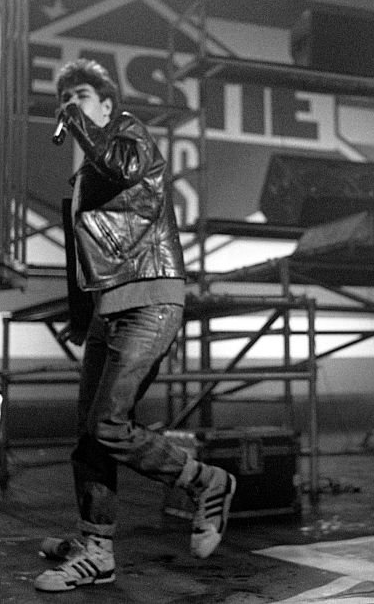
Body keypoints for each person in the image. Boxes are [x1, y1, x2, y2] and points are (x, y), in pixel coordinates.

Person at [34, 59, 236, 593]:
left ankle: (204, 482)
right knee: (89, 438)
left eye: (81, 94)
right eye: (66, 97)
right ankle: (96, 551)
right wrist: (83, 320)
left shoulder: (130, 136)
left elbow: (122, 168)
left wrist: (77, 121)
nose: (72, 103)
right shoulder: (89, 171)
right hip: (109, 310)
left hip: (150, 299)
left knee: (110, 424)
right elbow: (91, 252)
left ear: (106, 102)